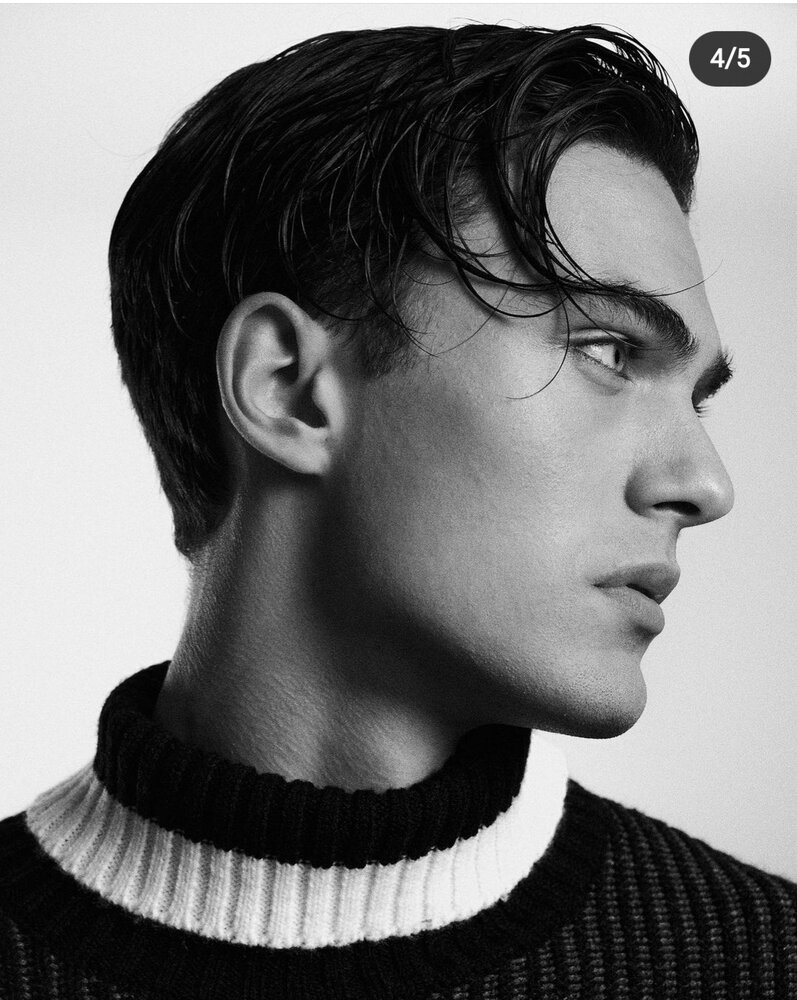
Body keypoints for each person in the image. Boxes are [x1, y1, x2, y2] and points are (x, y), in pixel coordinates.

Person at [1, 21, 794, 1000]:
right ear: (288, 389)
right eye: (607, 350)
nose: (705, 485)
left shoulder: (760, 960)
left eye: (695, 398)